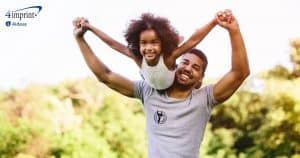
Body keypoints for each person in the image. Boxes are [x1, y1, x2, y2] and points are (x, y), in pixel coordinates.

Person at [73, 9, 250, 158]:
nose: (188, 68)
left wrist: (233, 30)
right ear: (175, 65)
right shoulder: (148, 91)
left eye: (195, 68)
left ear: (200, 80)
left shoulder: (205, 99)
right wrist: (80, 39)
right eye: (185, 62)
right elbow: (106, 76)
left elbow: (239, 73)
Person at [73, 12, 218, 90]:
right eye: (144, 43)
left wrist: (214, 22)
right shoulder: (138, 58)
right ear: (138, 43)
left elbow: (193, 41)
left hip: (169, 77)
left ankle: (176, 41)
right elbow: (113, 44)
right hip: (150, 82)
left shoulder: (168, 59)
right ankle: (176, 40)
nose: (148, 48)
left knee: (179, 47)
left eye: (154, 43)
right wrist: (90, 27)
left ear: (162, 44)